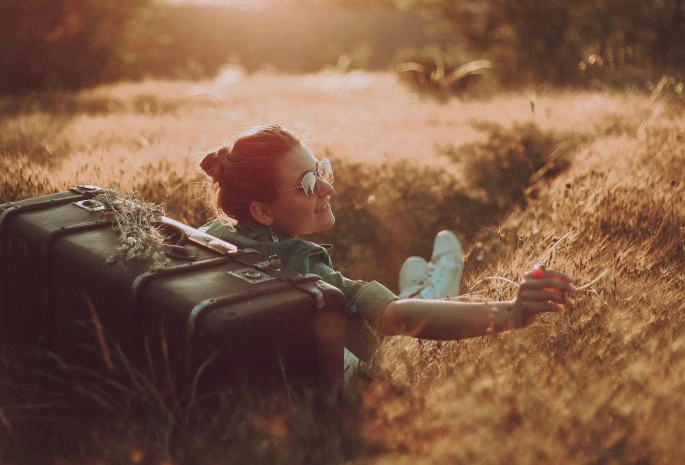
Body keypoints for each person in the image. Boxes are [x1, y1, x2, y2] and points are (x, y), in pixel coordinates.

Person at [198, 124, 576, 379]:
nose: (327, 188)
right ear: (262, 211)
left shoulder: (207, 235)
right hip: (349, 371)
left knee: (408, 277)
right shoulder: (298, 268)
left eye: (320, 169)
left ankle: (421, 279)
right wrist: (511, 312)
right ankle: (438, 279)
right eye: (309, 183)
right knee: (431, 279)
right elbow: (398, 319)